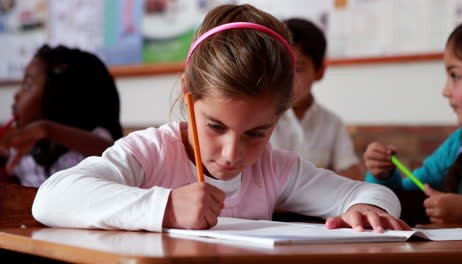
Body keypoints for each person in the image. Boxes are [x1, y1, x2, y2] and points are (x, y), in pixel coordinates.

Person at [32, 4, 409, 232]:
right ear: (187, 93)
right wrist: (165, 207)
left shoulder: (276, 169)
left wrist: (369, 209)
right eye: (215, 126)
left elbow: (372, 193)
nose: (232, 154)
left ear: (279, 118)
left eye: (257, 133)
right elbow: (50, 199)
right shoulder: (151, 152)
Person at [364, 20, 462, 224]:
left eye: (455, 75)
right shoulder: (458, 144)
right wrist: (383, 176)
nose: (445, 91)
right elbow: (400, 202)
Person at [0, 45, 123, 187]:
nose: (16, 94)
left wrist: (47, 130)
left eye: (27, 85)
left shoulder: (92, 143)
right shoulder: (29, 149)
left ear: (59, 95)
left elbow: (116, 155)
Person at [269, 18, 361, 180]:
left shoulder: (331, 123)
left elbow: (352, 174)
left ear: (319, 72)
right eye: (281, 67)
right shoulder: (260, 118)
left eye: (298, 69)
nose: (287, 78)